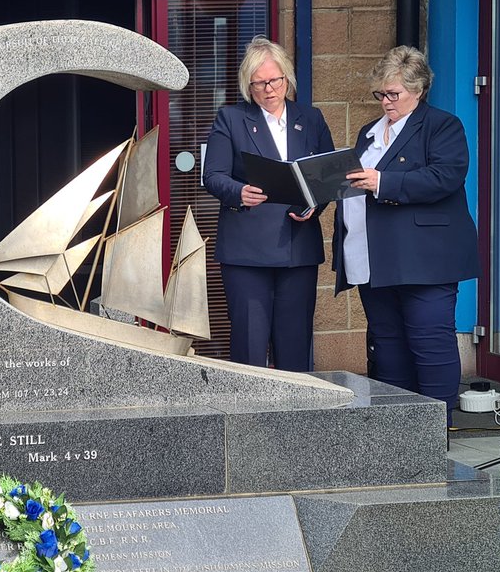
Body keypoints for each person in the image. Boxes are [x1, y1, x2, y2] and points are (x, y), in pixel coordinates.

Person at [337, 46, 478, 420]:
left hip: (424, 259)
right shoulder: (370, 131)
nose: (385, 102)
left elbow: (445, 177)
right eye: (380, 94)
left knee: (429, 343)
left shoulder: (442, 125)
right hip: (374, 259)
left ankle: (435, 430)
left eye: (393, 94)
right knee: (388, 347)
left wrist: (383, 182)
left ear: (418, 90)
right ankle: (397, 429)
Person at [203, 36, 334, 371]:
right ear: (249, 85)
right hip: (247, 249)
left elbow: (327, 176)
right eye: (259, 83)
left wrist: (313, 206)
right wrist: (238, 192)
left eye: (274, 80)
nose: (268, 89)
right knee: (248, 346)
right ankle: (246, 422)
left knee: (294, 344)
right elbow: (213, 175)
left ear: (286, 78)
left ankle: (294, 421)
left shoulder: (312, 118)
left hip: (297, 244)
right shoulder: (230, 118)